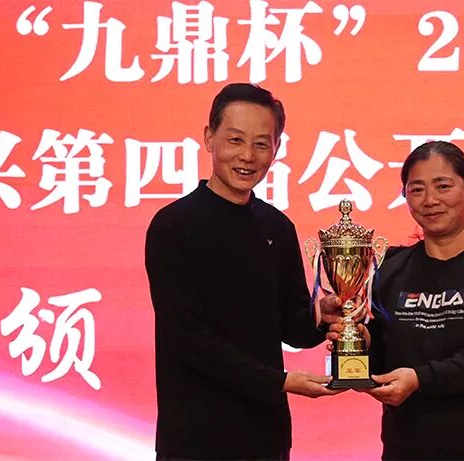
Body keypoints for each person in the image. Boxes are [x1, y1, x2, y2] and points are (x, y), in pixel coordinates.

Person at [145, 83, 341, 461]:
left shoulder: (277, 227)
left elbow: (292, 326)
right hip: (195, 436)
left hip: (265, 433)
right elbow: (187, 337)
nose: (247, 156)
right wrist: (280, 381)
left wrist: (322, 317)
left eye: (261, 144)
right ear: (209, 138)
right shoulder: (174, 226)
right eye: (235, 140)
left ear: (276, 149)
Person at [328, 141, 464, 460]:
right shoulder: (391, 268)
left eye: (443, 186)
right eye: (417, 190)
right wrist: (362, 344)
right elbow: (385, 359)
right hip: (408, 448)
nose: (430, 200)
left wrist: (420, 379)